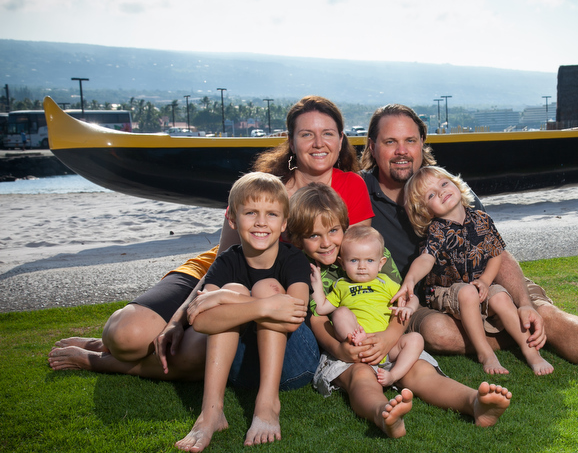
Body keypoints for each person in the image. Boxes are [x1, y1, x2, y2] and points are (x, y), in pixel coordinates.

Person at [48, 95, 372, 382]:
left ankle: (99, 361)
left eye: (327, 134)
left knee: (192, 354)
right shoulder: (263, 188)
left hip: (248, 296)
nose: (318, 143)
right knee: (125, 336)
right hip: (210, 275)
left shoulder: (352, 187)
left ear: (341, 139)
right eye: (307, 134)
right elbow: (223, 260)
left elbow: (351, 262)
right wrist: (178, 319)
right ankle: (107, 345)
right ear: (290, 140)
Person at [359, 104, 578, 391]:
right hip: (429, 299)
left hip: (482, 281)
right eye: (390, 142)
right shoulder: (361, 192)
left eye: (410, 141)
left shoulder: (451, 189)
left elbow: (495, 251)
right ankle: (518, 335)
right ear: (372, 146)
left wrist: (524, 302)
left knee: (539, 313)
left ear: (422, 143)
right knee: (437, 333)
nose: (402, 151)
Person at [287, 182, 513, 438]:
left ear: (344, 226)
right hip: (346, 349)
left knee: (420, 371)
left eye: (333, 230)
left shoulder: (370, 251)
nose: (326, 242)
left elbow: (400, 302)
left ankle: (473, 401)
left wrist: (388, 338)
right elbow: (317, 319)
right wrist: (341, 349)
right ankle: (382, 413)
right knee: (360, 378)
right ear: (298, 239)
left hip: (389, 339)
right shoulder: (303, 269)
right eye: (313, 235)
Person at [175, 172, 313, 453]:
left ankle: (267, 405)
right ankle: (212, 411)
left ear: (284, 223)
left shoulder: (293, 259)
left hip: (295, 363)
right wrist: (245, 301)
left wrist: (241, 300)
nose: (261, 222)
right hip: (241, 370)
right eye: (251, 212)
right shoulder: (228, 261)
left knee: (265, 287)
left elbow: (293, 315)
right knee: (235, 289)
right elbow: (199, 320)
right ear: (233, 220)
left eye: (271, 214)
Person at [396, 165, 553, 376]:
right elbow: (426, 258)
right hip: (445, 290)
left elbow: (496, 252)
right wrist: (410, 279)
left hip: (478, 283)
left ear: (457, 185)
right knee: (468, 293)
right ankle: (485, 352)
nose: (441, 191)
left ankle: (530, 351)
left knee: (501, 299)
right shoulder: (437, 230)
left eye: (444, 184)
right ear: (425, 210)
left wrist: (487, 281)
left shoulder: (482, 219)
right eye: (431, 194)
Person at [310, 226, 423, 386]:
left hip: (386, 346)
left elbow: (412, 298)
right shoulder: (341, 285)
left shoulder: (386, 283)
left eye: (369, 260)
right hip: (356, 343)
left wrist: (409, 308)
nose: (362, 266)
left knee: (416, 339)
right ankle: (359, 343)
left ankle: (393, 375)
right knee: (340, 312)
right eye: (354, 260)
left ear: (381, 263)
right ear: (342, 263)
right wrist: (317, 284)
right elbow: (321, 308)